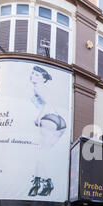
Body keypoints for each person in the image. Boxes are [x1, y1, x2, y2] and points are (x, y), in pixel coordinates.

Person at [28, 65, 67, 197]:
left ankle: (39, 183)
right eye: (33, 73)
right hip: (60, 122)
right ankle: (45, 183)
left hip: (49, 120)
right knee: (43, 155)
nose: (33, 76)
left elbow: (48, 104)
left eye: (37, 75)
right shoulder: (44, 88)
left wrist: (38, 118)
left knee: (40, 155)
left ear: (43, 79)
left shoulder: (38, 88)